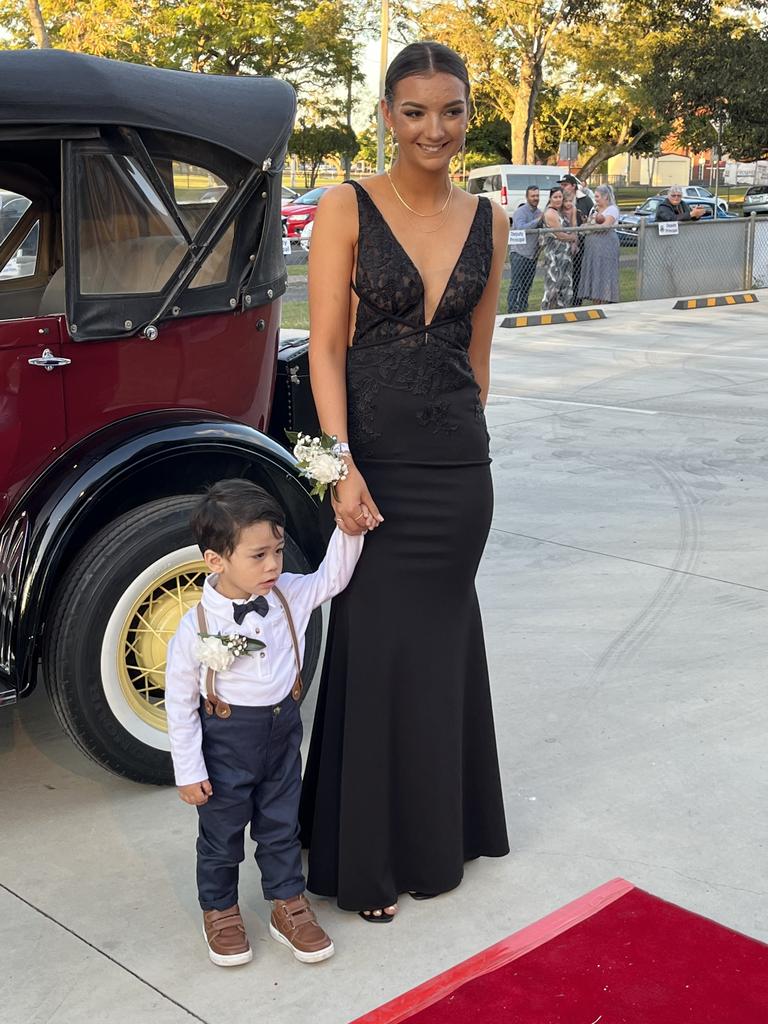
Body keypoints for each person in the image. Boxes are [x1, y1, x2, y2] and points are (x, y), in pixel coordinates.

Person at [299, 40, 510, 922]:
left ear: (467, 115)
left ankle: (440, 831)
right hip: (372, 470)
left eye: (452, 110)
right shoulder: (345, 207)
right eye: (416, 111)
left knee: (437, 649)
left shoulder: (492, 216)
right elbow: (324, 348)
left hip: (457, 471)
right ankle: (368, 852)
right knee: (376, 645)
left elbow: (480, 349)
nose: (436, 128)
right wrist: (339, 464)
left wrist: (466, 439)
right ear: (388, 116)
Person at [165, 479, 363, 966]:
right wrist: (189, 771)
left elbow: (331, 580)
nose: (273, 565)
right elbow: (180, 704)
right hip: (226, 745)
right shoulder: (195, 629)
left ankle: (287, 904)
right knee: (221, 835)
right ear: (216, 560)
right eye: (258, 556)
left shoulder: (287, 594)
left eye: (277, 550)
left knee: (281, 827)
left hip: (281, 736)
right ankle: (221, 910)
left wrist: (349, 530)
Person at [578, 183, 620, 304]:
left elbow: (605, 226)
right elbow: (589, 223)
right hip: (592, 248)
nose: (595, 199)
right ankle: (595, 302)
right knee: (594, 272)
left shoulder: (612, 209)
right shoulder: (594, 209)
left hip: (606, 246)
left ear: (606, 196)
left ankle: (605, 301)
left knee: (604, 273)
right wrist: (588, 224)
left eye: (597, 197)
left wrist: (589, 226)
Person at [507, 184, 543, 313]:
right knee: (516, 284)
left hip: (532, 255)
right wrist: (537, 221)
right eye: (533, 196)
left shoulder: (540, 213)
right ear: (527, 197)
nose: (535, 198)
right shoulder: (520, 212)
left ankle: (522, 309)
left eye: (537, 195)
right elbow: (521, 228)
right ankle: (512, 310)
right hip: (519, 253)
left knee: (527, 285)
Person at [559, 174, 593, 302]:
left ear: (573, 186)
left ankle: (576, 301)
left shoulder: (585, 200)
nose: (563, 187)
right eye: (561, 185)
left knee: (577, 271)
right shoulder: (559, 198)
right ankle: (562, 300)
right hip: (562, 241)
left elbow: (592, 215)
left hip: (581, 241)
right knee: (562, 272)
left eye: (565, 184)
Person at [541, 186, 575, 309]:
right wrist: (572, 237)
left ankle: (562, 309)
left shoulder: (559, 212)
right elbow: (559, 234)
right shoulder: (550, 213)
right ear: (550, 198)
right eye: (555, 197)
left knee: (565, 284)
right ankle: (546, 310)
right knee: (553, 285)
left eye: (560, 197)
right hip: (554, 255)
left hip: (565, 255)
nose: (558, 199)